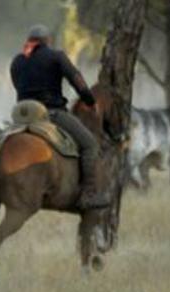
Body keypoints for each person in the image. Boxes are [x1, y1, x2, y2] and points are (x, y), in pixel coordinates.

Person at [10, 24, 109, 209]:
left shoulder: (17, 60)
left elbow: (18, 85)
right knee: (90, 144)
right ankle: (89, 194)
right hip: (51, 113)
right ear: (48, 41)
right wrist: (89, 101)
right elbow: (77, 80)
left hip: (21, 116)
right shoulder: (56, 57)